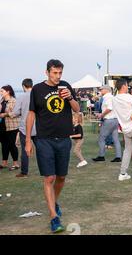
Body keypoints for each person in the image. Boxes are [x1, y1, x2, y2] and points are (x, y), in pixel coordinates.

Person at [25, 59, 80, 233]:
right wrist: (27, 140)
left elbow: (77, 109)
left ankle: (53, 202)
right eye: (54, 73)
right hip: (44, 139)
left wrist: (69, 98)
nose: (57, 76)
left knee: (61, 177)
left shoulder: (65, 86)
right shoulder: (38, 90)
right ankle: (53, 218)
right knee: (49, 177)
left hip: (64, 139)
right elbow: (31, 115)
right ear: (47, 72)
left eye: (60, 73)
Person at [10, 79, 36, 177]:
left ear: (23, 86)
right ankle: (47, 170)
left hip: (25, 128)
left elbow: (16, 112)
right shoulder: (36, 95)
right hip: (38, 127)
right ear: (32, 85)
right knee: (42, 150)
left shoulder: (21, 97)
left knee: (25, 151)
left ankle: (24, 172)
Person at [92, 85, 122, 163]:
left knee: (101, 139)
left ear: (106, 90)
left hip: (109, 120)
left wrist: (101, 115)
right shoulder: (112, 97)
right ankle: (118, 157)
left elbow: (109, 108)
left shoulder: (107, 98)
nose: (100, 91)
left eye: (101, 90)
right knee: (116, 140)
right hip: (115, 120)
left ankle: (101, 156)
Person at [0, 85, 20, 171]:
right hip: (2, 126)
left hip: (12, 126)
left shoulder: (14, 101)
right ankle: (4, 163)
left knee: (12, 145)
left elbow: (17, 113)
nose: (0, 93)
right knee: (4, 145)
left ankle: (16, 164)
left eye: (2, 91)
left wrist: (6, 114)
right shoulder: (1, 101)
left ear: (8, 91)